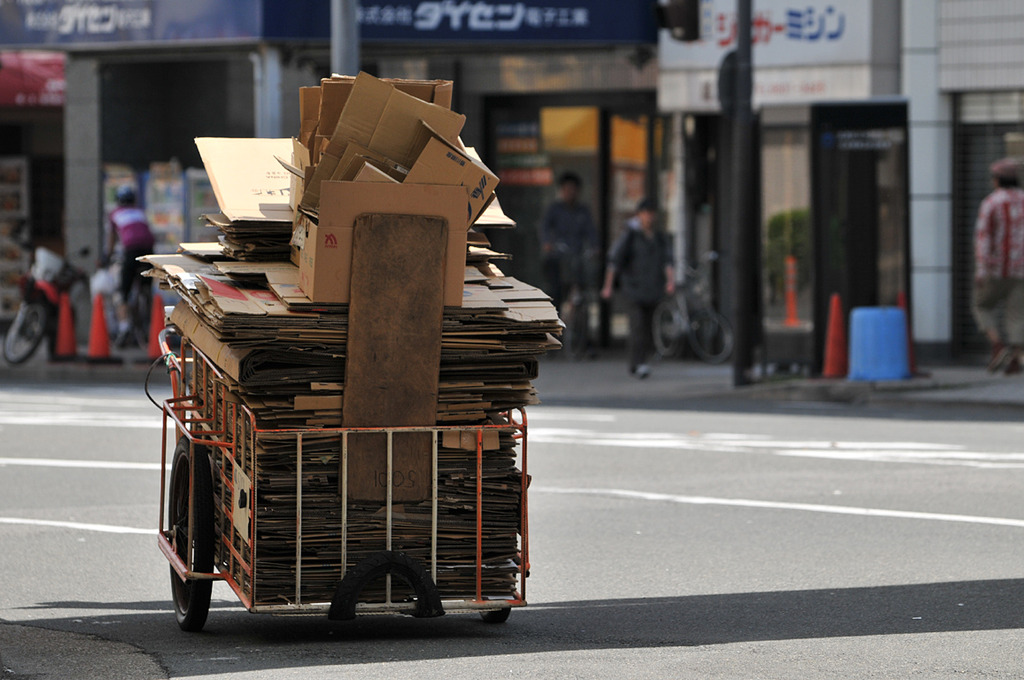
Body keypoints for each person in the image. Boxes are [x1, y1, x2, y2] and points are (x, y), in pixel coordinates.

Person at [601, 197, 675, 378]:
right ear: (640, 215)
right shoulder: (630, 236)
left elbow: (667, 262)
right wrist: (608, 286)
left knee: (649, 328)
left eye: (652, 213)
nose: (649, 217)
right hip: (633, 289)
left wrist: (670, 281)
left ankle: (642, 361)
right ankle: (637, 363)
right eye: (646, 213)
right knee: (637, 326)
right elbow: (614, 262)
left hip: (653, 289)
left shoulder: (659, 238)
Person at [973, 158, 1024, 375]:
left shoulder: (991, 202)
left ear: (996, 180)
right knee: (1017, 315)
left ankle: (997, 345)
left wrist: (982, 270)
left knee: (981, 305)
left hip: (996, 270)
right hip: (1021, 270)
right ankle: (1016, 359)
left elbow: (983, 237)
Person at [541, 171, 598, 314]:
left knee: (582, 289)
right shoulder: (555, 209)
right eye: (567, 189)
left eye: (573, 189)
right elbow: (545, 227)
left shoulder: (583, 211)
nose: (570, 192)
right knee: (555, 292)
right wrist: (547, 242)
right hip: (559, 257)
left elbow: (591, 232)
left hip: (577, 257)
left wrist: (594, 247)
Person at [105, 184, 155, 347]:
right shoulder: (140, 212)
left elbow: (112, 240)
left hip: (131, 250)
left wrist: (107, 256)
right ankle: (149, 317)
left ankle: (124, 327)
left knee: (123, 292)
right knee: (146, 286)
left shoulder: (114, 214)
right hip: (149, 250)